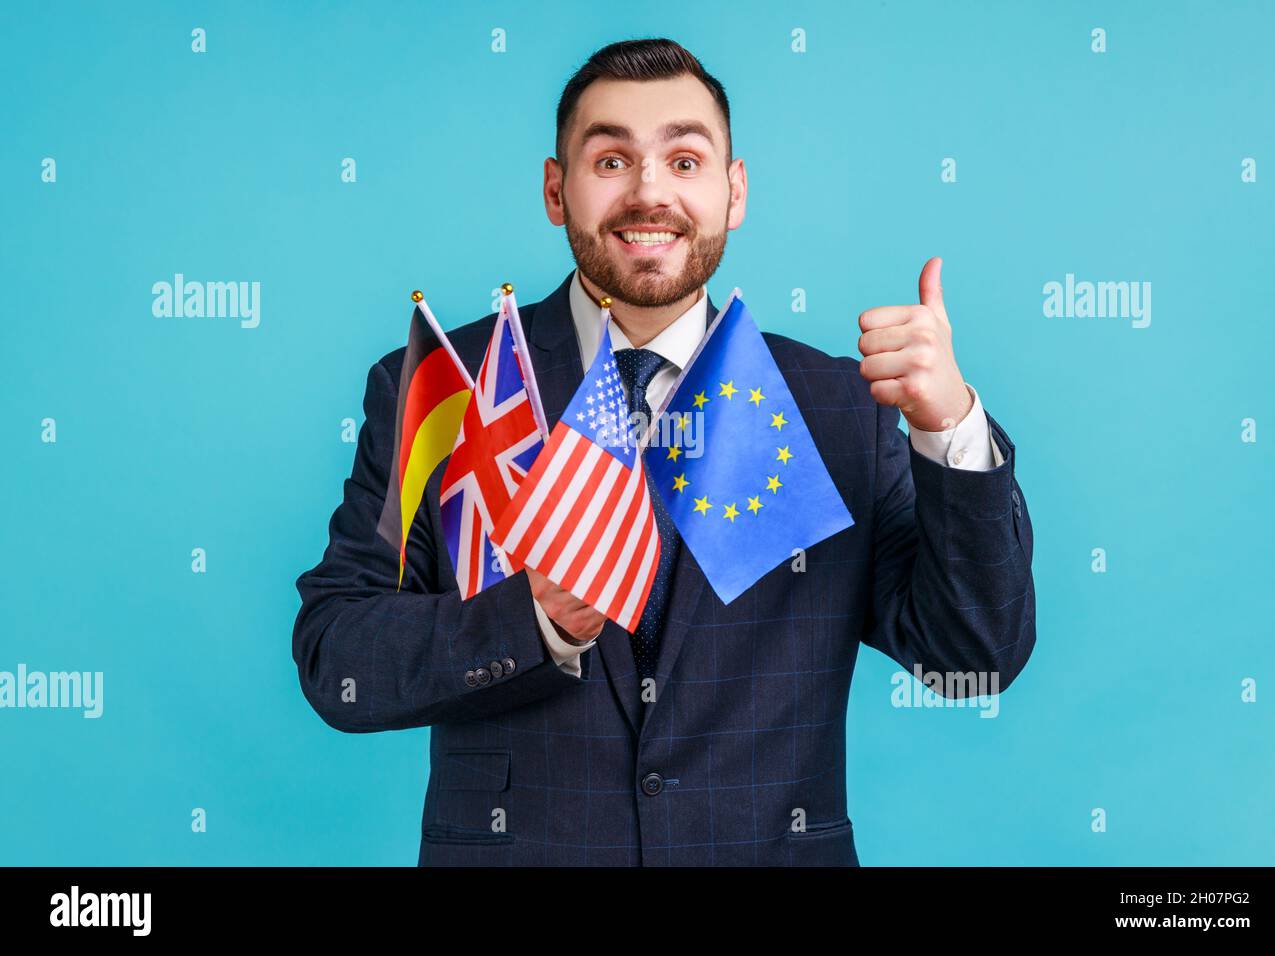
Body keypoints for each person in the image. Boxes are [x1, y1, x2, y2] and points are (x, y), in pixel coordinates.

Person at [291, 37, 1036, 866]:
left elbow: (973, 655)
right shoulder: (445, 386)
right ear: (554, 188)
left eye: (684, 159)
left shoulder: (834, 409)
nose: (650, 193)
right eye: (611, 159)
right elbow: (337, 657)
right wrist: (531, 621)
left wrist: (949, 429)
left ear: (734, 189)